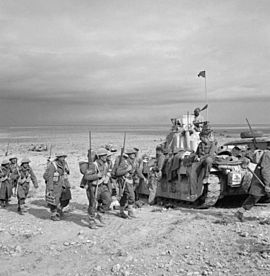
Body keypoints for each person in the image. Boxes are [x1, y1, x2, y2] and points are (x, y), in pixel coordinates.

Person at [235, 145, 270, 222]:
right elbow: (265, 170)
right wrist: (267, 184)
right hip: (261, 176)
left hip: (265, 176)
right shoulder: (268, 154)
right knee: (255, 196)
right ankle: (240, 212)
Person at [113, 148, 142, 218]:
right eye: (132, 154)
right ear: (129, 155)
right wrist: (126, 170)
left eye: (134, 154)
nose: (133, 155)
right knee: (132, 196)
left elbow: (138, 171)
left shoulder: (135, 162)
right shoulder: (124, 162)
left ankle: (122, 211)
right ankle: (130, 212)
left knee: (124, 197)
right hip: (124, 181)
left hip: (130, 181)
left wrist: (143, 178)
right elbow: (118, 172)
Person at [45, 153, 71, 221]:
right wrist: (50, 188)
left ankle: (60, 209)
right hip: (55, 185)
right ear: (58, 157)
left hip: (64, 183)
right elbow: (50, 177)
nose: (63, 158)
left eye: (64, 157)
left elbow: (68, 172)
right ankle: (53, 214)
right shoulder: (53, 165)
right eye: (61, 157)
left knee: (66, 198)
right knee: (54, 200)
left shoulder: (65, 164)